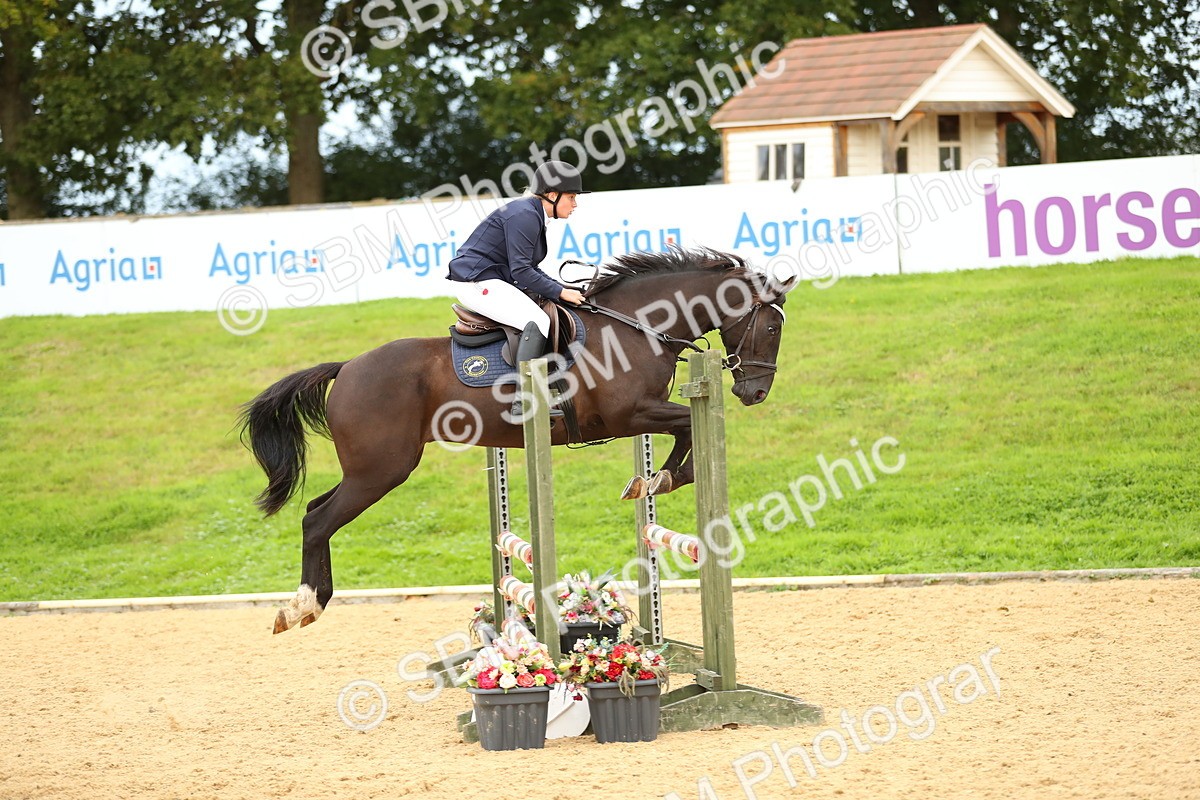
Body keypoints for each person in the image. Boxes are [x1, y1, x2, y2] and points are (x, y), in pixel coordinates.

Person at [447, 160, 588, 420]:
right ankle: (524, 401)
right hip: (476, 281)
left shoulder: (532, 213)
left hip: (491, 278)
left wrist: (562, 288)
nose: (575, 204)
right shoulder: (525, 214)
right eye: (571, 197)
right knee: (537, 320)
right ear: (553, 195)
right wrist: (558, 292)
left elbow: (528, 268)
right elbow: (521, 272)